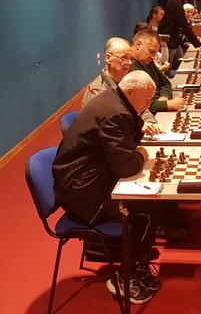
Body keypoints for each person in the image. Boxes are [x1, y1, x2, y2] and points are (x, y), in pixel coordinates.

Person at [53, 70, 161, 304]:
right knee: (147, 211)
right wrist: (141, 154)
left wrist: (135, 147)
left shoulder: (115, 99)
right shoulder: (116, 113)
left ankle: (136, 266)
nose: (149, 104)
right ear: (130, 92)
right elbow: (126, 167)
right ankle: (124, 277)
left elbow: (127, 145)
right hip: (84, 193)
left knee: (149, 206)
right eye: (146, 99)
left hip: (87, 179)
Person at [83, 37, 160, 133]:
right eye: (124, 58)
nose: (129, 63)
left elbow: (142, 108)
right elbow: (106, 128)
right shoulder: (97, 91)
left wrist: (151, 123)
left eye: (130, 59)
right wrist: (139, 126)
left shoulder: (128, 82)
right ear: (108, 58)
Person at [131, 27, 185, 113]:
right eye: (151, 51)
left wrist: (164, 97)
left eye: (155, 53)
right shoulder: (129, 68)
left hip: (159, 107)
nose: (153, 57)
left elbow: (165, 83)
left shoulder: (148, 61)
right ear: (138, 45)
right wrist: (167, 105)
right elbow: (141, 105)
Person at [158, 0, 201, 68]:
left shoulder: (178, 1)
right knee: (167, 68)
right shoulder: (174, 1)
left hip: (174, 40)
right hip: (168, 41)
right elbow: (184, 26)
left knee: (180, 65)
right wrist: (199, 45)